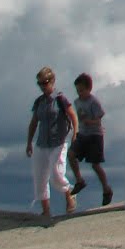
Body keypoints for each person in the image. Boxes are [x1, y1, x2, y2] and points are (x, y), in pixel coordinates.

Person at [26, 66, 78, 220]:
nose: (42, 86)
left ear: (52, 81)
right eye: (39, 83)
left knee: (57, 174)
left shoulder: (60, 99)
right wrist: (29, 142)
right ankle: (46, 211)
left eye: (45, 82)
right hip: (42, 143)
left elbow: (72, 115)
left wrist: (76, 132)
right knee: (40, 176)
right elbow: (34, 123)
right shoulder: (39, 102)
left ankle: (69, 194)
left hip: (58, 142)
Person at [67, 72, 113, 206]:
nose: (79, 93)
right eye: (78, 91)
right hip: (83, 134)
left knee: (95, 165)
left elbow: (99, 120)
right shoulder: (77, 102)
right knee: (71, 155)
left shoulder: (93, 102)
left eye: (82, 90)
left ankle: (106, 189)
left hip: (95, 135)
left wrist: (89, 122)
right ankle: (79, 180)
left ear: (89, 89)